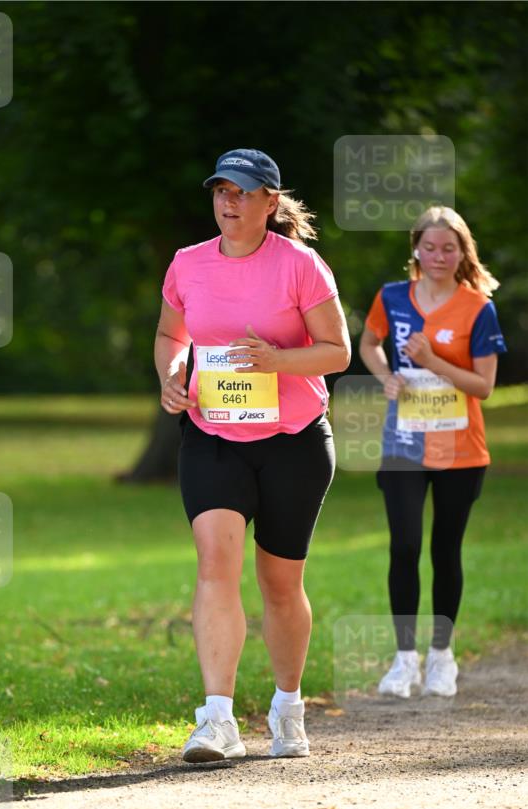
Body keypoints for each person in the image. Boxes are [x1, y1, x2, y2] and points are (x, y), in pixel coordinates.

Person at [154, 148, 350, 762]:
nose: (228, 201)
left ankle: (288, 709)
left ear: (271, 201)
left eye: (242, 192)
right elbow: (170, 334)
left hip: (294, 440)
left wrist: (277, 361)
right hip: (213, 435)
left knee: (280, 582)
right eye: (220, 190)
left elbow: (337, 351)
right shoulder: (187, 264)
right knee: (215, 563)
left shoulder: (300, 265)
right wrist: (172, 371)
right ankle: (216, 721)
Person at [359, 205, 507, 699]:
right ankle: (404, 661)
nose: (439, 255)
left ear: (463, 251)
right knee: (403, 545)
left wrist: (432, 361)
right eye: (429, 246)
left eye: (449, 247)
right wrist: (387, 377)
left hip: (460, 448)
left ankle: (442, 656)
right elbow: (369, 343)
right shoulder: (392, 297)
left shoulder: (478, 308)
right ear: (415, 249)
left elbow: (484, 385)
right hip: (403, 442)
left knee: (445, 550)